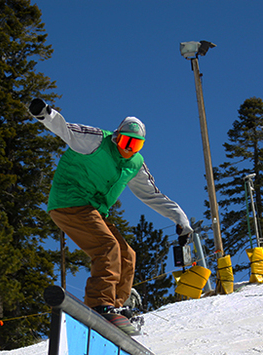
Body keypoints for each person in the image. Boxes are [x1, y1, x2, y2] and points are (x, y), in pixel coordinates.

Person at [28, 98, 192, 330]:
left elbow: (152, 195)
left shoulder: (135, 164)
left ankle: (117, 306)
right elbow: (66, 130)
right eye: (125, 141)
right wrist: (45, 114)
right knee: (107, 247)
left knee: (127, 254)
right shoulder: (96, 141)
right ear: (116, 137)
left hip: (93, 209)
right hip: (69, 201)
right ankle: (99, 305)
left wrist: (180, 218)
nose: (127, 149)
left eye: (135, 146)